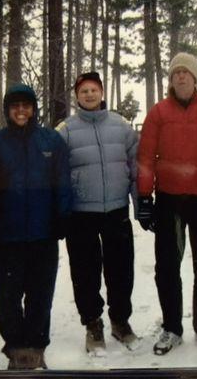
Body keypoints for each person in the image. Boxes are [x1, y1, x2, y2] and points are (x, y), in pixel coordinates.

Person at [137, 52, 197, 355]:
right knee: (167, 266)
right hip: (169, 200)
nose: (180, 76)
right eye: (175, 72)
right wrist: (144, 198)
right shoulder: (158, 113)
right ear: (171, 80)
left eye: (186, 72)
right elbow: (145, 159)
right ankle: (171, 327)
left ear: (195, 79)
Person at [0, 84, 72, 369]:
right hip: (6, 238)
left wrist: (62, 219)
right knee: (7, 297)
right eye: (15, 105)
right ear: (8, 110)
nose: (21, 110)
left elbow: (63, 184)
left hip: (43, 235)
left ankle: (36, 347)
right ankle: (16, 348)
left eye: (26, 105)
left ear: (34, 109)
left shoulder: (51, 141)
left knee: (40, 295)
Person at [56, 72, 140, 356]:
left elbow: (135, 167)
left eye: (93, 90)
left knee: (121, 269)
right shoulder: (65, 130)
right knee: (85, 272)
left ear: (101, 93)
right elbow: (57, 175)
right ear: (76, 97)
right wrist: (62, 211)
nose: (89, 95)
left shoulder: (121, 126)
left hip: (116, 209)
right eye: (83, 91)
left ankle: (120, 320)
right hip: (81, 215)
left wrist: (140, 205)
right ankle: (92, 323)